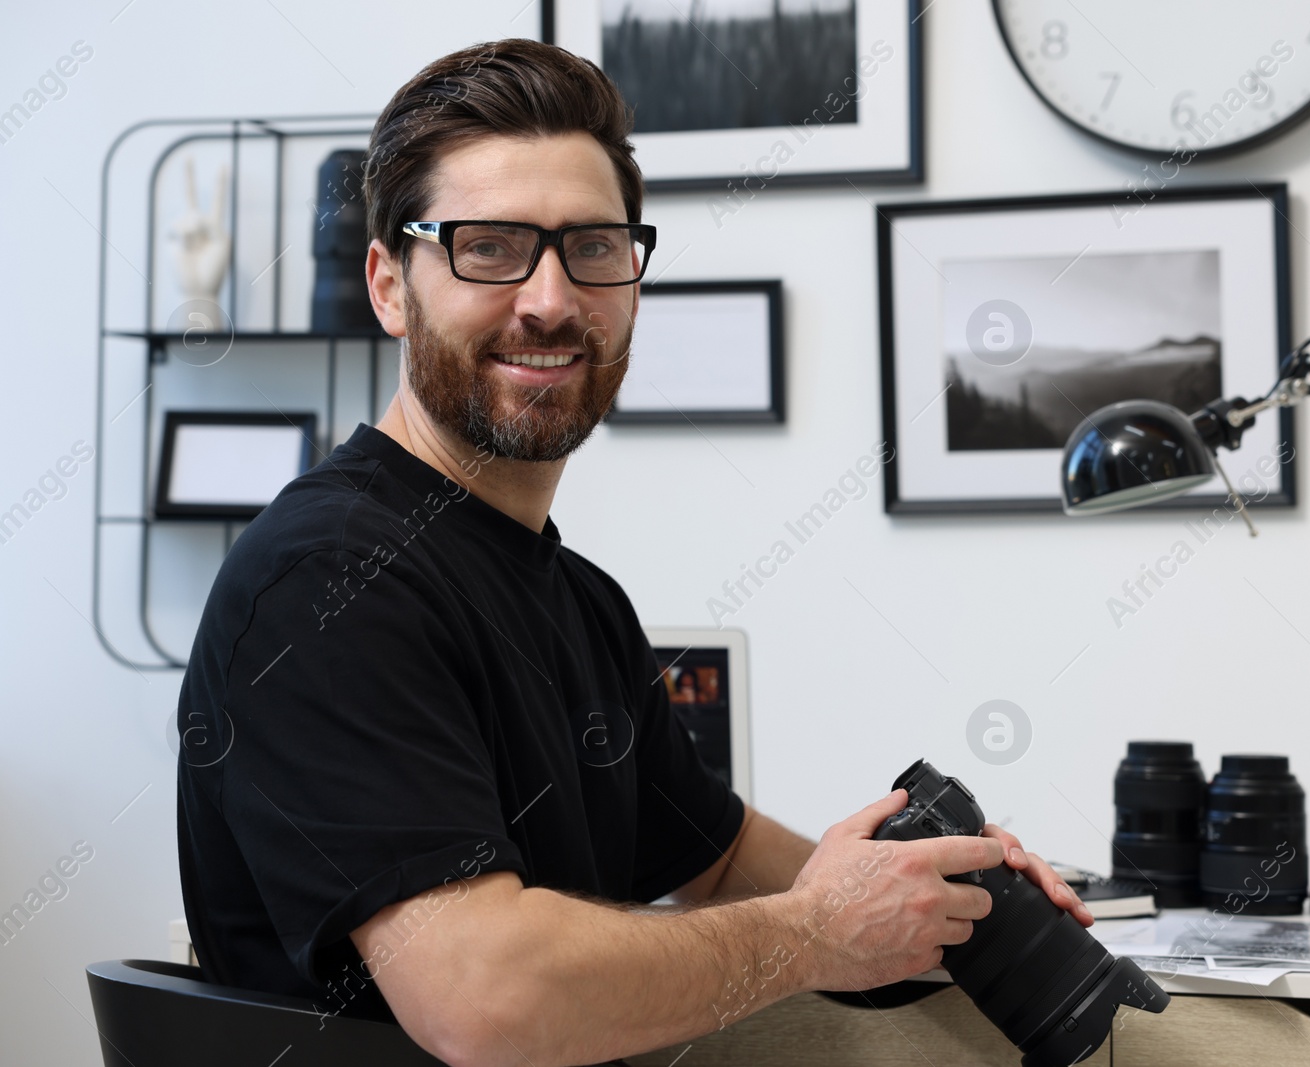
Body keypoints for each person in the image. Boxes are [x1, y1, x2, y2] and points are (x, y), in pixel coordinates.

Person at [174, 38, 1091, 1067]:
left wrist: (938, 884)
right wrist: (819, 930)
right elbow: (484, 997)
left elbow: (716, 853)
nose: (553, 299)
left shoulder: (576, 598)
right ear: (390, 284)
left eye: (594, 247)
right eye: (487, 246)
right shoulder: (326, 581)